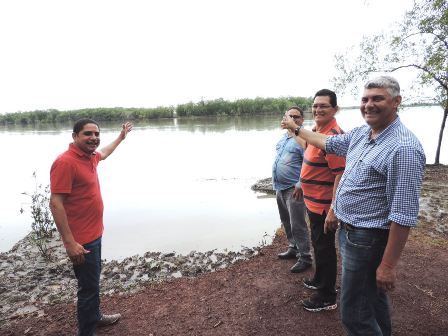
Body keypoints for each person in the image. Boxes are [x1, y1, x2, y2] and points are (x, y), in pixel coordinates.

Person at [284, 76, 425, 335]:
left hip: (368, 238)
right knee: (372, 297)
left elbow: (403, 214)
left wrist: (388, 266)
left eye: (377, 99)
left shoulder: (403, 148)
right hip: (351, 232)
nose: (369, 105)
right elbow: (326, 142)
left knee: (354, 314)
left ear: (396, 102)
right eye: (365, 99)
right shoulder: (363, 133)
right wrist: (295, 128)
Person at [49, 118, 133, 336]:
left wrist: (121, 137)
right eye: (88, 134)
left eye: (96, 134)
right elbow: (55, 203)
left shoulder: (89, 157)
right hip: (81, 240)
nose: (94, 138)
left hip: (94, 233)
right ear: (75, 136)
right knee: (87, 289)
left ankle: (95, 316)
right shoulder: (65, 162)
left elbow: (104, 152)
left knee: (93, 283)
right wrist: (69, 242)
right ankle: (87, 332)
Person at [285, 89, 346, 312]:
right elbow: (306, 147)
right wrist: (293, 130)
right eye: (315, 105)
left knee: (325, 249)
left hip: (323, 205)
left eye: (324, 106)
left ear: (335, 109)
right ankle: (321, 279)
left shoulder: (334, 137)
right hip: (312, 202)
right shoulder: (317, 131)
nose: (318, 109)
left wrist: (333, 209)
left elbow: (341, 173)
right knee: (319, 245)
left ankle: (327, 296)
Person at [273, 106, 312, 273]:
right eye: (289, 116)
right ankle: (293, 247)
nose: (292, 119)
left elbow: (310, 162)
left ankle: (305, 257)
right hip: (279, 187)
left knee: (298, 224)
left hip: (294, 188)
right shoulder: (283, 138)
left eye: (296, 117)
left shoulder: (304, 137)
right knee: (286, 221)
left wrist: (300, 184)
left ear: (302, 120)